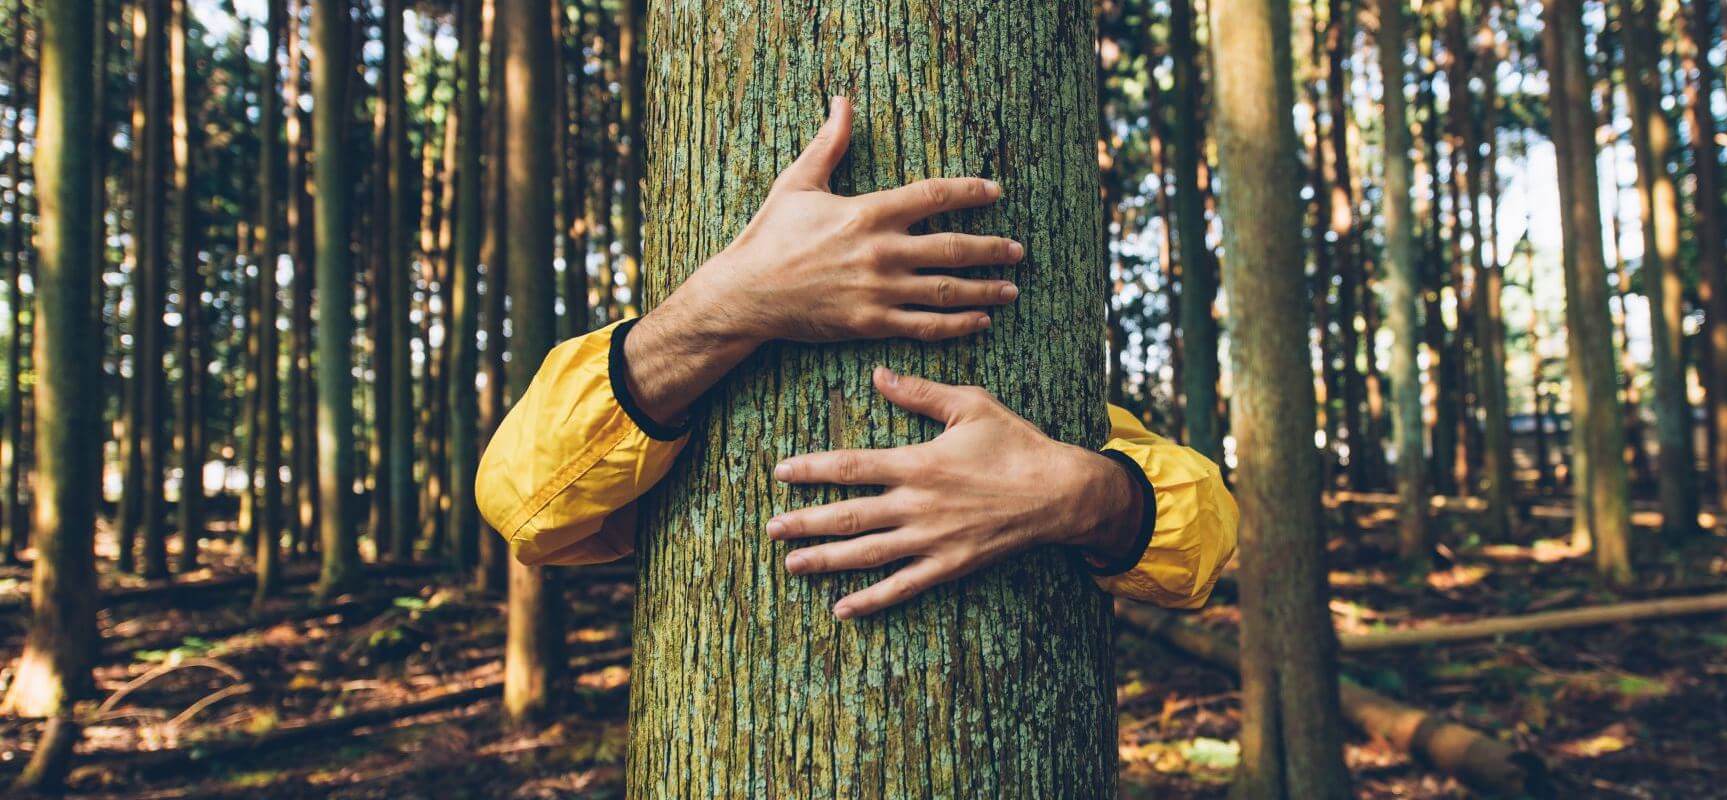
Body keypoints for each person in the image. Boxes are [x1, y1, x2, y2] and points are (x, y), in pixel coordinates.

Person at [476, 97, 1236, 620]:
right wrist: (730, 304)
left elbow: (1206, 537)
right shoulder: (674, 379)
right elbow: (521, 504)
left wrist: (1080, 493)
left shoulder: (1045, 411)